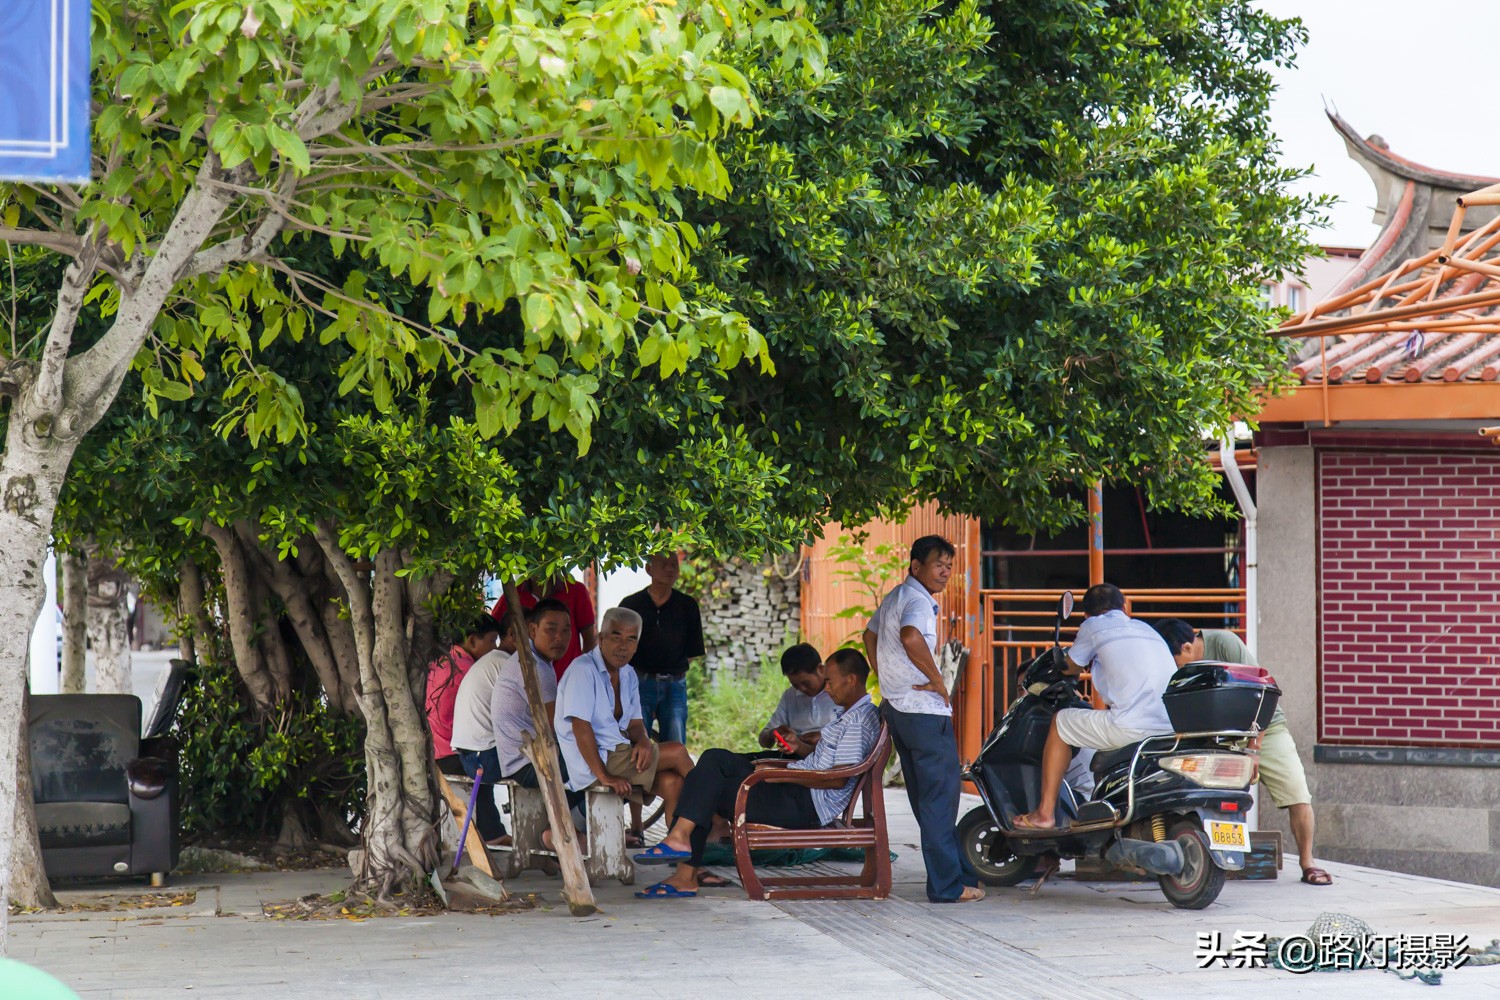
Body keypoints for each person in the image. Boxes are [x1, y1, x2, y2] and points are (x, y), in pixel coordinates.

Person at [630, 649, 880, 898]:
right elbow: (825, 766)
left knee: (709, 780)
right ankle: (682, 846)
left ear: (851, 680)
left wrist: (777, 774)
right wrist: (792, 756)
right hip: (797, 791)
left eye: (830, 682)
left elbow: (838, 778)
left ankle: (683, 858)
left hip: (805, 804)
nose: (826, 688)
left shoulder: (857, 722)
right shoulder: (852, 715)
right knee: (712, 761)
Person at [1154, 618, 1331, 887]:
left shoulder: (1224, 643)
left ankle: (1308, 862)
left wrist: (1253, 749)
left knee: (1297, 795)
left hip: (1264, 730)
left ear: (1188, 648)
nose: (1175, 668)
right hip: (1221, 736)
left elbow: (1263, 691)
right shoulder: (1182, 666)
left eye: (1176, 660)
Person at [864, 535, 983, 904]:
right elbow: (911, 636)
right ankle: (948, 887)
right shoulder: (916, 600)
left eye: (950, 565)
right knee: (940, 799)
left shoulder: (897, 595)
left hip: (899, 708)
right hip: (923, 712)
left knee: (927, 798)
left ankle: (959, 875)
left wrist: (886, 677)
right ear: (916, 566)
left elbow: (869, 636)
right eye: (938, 564)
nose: (946, 572)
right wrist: (935, 678)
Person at [1013, 583, 1177, 832]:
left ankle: (1044, 814)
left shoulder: (1093, 626)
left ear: (1086, 615)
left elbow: (1069, 666)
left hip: (1131, 726)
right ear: (1125, 607)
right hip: (1168, 728)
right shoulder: (1145, 629)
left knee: (1060, 721)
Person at [555, 606, 694, 828]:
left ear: (637, 645)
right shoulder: (583, 670)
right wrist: (604, 777)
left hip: (619, 754)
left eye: (631, 639)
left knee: (672, 783)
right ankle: (718, 818)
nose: (623, 646)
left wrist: (643, 742)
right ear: (600, 639)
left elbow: (635, 723)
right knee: (677, 752)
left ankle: (676, 845)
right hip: (596, 760)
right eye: (616, 637)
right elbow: (580, 729)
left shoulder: (628, 673)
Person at [491, 598, 587, 848]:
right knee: (601, 765)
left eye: (566, 630)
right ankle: (565, 830)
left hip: (528, 757)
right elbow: (560, 727)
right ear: (532, 631)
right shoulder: (534, 666)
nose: (560, 637)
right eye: (551, 629)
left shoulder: (538, 661)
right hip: (527, 763)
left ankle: (563, 828)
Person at [619, 552, 705, 745]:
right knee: (636, 744)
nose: (670, 569)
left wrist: (670, 670)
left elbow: (693, 650)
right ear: (648, 569)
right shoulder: (631, 605)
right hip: (638, 684)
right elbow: (619, 648)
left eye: (674, 564)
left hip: (675, 685)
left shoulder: (687, 605)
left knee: (675, 744)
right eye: (664, 564)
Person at [426, 615, 502, 777]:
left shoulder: (442, 660)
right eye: (492, 641)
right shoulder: (469, 669)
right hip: (455, 754)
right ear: (472, 641)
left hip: (434, 752)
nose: (495, 648)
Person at [490, 574, 597, 678]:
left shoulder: (575, 590)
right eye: (551, 628)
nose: (558, 636)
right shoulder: (513, 595)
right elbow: (488, 632)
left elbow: (590, 642)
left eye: (565, 629)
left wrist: (582, 674)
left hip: (570, 679)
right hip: (527, 683)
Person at [758, 642, 842, 757]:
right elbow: (764, 740)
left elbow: (855, 735)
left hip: (831, 759)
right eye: (795, 685)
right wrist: (774, 733)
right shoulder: (790, 696)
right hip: (793, 759)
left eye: (806, 683)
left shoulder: (839, 692)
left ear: (821, 669)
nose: (802, 689)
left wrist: (824, 737)